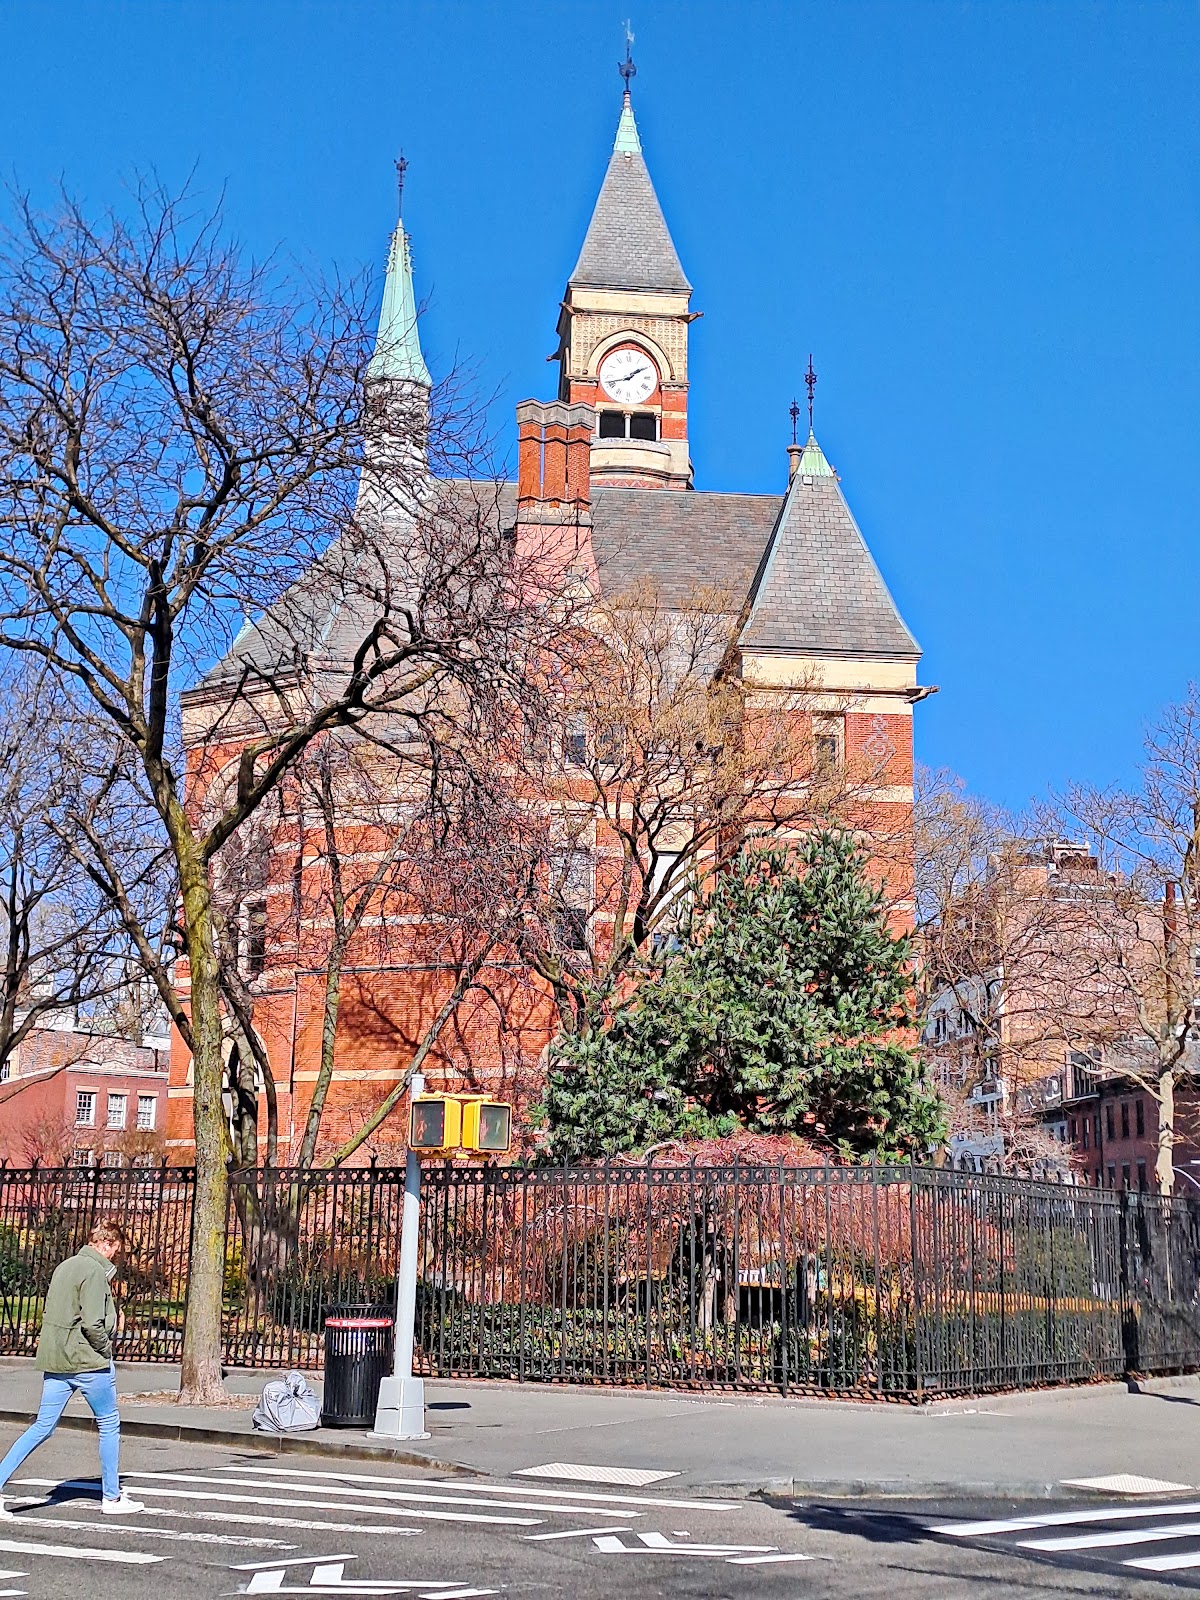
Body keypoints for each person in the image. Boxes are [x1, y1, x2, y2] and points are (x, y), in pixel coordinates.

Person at [0, 1217, 144, 1517]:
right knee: (108, 1424)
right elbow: (93, 1321)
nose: (115, 1255)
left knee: (42, 1426)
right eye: (115, 1249)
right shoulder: (93, 1271)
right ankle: (112, 1497)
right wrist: (106, 1350)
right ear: (107, 1243)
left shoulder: (65, 1266)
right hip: (88, 1361)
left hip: (57, 1360)